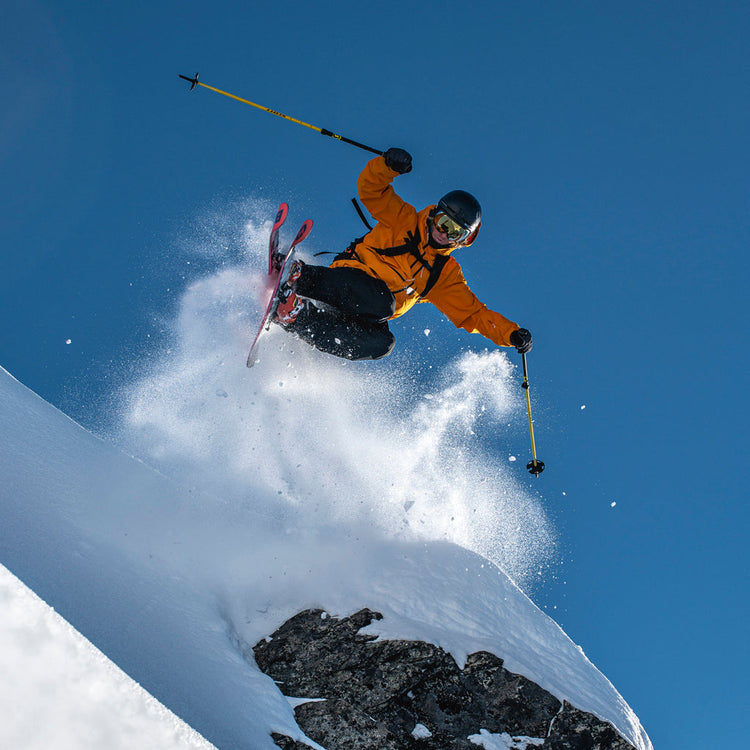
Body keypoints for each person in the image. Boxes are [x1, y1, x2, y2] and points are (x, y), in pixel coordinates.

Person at [272, 147, 533, 360]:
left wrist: (511, 334)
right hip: (351, 281)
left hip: (366, 313)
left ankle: (296, 316)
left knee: (383, 343)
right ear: (434, 214)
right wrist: (387, 167)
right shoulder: (405, 220)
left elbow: (473, 314)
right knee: (383, 302)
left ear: (464, 241)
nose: (443, 234)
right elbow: (371, 191)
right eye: (443, 223)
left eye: (454, 233)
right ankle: (299, 275)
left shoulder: (444, 275)